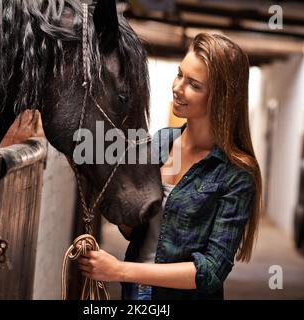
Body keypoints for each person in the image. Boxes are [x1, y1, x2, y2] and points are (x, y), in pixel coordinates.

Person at [77, 32, 262, 300]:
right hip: (135, 294)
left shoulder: (237, 174)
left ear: (221, 98)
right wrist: (115, 197)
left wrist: (119, 271)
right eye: (179, 74)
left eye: (194, 85)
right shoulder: (160, 143)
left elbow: (210, 272)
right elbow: (136, 233)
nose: (177, 87)